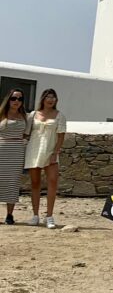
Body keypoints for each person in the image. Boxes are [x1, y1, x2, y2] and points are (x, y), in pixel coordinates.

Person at [24, 88, 66, 228]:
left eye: (53, 97)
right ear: (43, 98)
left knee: (52, 183)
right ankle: (35, 215)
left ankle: (49, 216)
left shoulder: (59, 116)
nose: (51, 99)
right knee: (35, 183)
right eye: (48, 97)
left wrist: (56, 152)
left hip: (50, 152)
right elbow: (27, 133)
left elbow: (61, 136)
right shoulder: (33, 115)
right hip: (34, 151)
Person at [0, 90, 30, 225]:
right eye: (13, 98)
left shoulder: (25, 116)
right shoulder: (1, 114)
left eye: (20, 98)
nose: (16, 101)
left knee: (12, 183)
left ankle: (9, 215)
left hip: (17, 151)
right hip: (1, 149)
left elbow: (27, 134)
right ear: (8, 99)